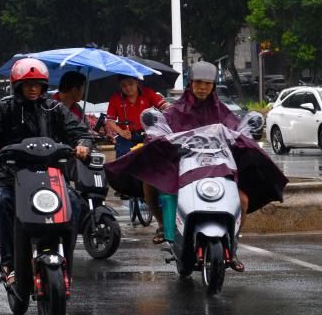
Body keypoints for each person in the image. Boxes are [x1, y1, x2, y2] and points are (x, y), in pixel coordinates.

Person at [117, 61, 284, 270]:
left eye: (207, 83)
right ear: (190, 83)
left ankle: (233, 248)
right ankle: (161, 225)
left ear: (213, 86)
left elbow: (237, 131)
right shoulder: (175, 110)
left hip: (218, 167)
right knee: (150, 181)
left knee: (242, 200)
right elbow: (162, 128)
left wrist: (245, 135)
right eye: (198, 82)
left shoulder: (222, 111)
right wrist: (157, 135)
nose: (203, 87)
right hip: (184, 166)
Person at [0, 58, 92, 285]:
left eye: (37, 84)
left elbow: (78, 131)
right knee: (0, 201)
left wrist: (83, 144)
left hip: (51, 175)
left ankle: (67, 257)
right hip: (10, 176)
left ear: (44, 86)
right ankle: (9, 263)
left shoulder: (55, 109)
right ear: (18, 86)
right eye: (28, 85)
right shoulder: (4, 108)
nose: (33, 89)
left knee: (75, 203)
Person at [106, 75, 167, 159]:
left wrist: (171, 109)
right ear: (120, 86)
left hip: (147, 133)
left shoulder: (147, 92)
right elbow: (110, 121)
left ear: (137, 83)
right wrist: (121, 132)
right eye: (124, 86)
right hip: (126, 136)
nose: (128, 88)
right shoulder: (115, 98)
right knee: (123, 159)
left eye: (131, 84)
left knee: (156, 155)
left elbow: (164, 106)